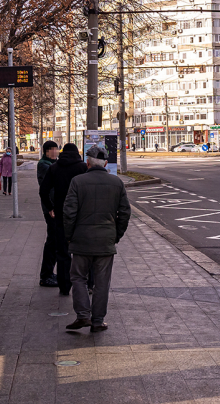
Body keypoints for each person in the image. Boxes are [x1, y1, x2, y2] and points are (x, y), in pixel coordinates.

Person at [62, 145, 131, 333]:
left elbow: (69, 213)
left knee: (78, 277)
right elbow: (124, 213)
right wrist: (116, 235)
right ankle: (98, 321)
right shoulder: (116, 183)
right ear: (106, 163)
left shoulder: (77, 182)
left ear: (87, 163)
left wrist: (69, 237)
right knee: (101, 282)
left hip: (81, 240)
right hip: (105, 241)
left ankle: (83, 315)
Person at [39, 143, 87, 296]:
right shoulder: (83, 168)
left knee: (62, 251)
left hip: (60, 214)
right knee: (82, 250)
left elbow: (43, 191)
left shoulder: (54, 168)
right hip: (80, 214)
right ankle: (84, 283)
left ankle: (64, 286)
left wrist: (50, 207)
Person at [37, 140, 60, 288]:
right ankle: (46, 275)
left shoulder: (54, 164)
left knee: (55, 240)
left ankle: (50, 273)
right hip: (50, 208)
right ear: (46, 151)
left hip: (56, 207)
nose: (55, 152)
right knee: (52, 241)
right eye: (51, 149)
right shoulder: (44, 165)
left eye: (56, 149)